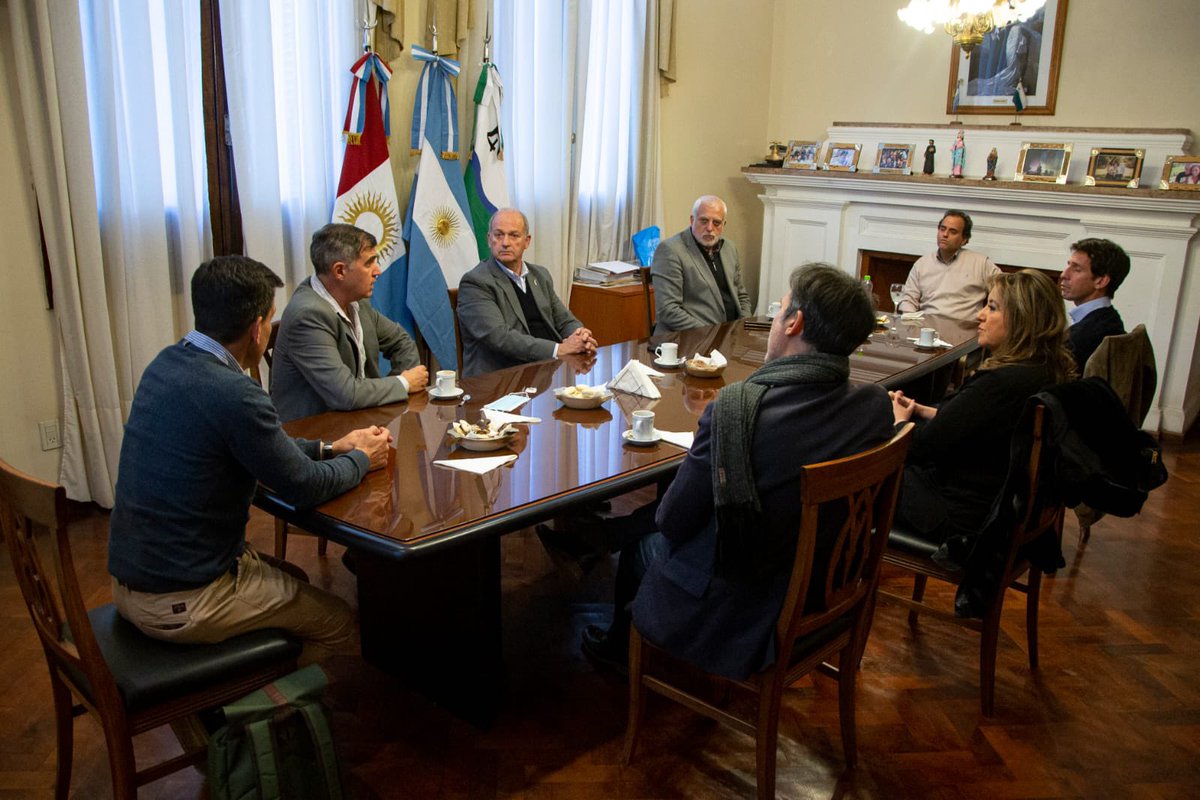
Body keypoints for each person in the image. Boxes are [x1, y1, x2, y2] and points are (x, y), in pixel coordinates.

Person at [581, 264, 894, 679]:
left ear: (795, 323)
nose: (777, 319)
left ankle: (620, 651)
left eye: (781, 309)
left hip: (749, 606)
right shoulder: (873, 406)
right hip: (826, 586)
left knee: (645, 544)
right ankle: (594, 543)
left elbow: (672, 522)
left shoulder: (736, 412)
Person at [108, 255, 393, 665]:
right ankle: (255, 713)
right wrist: (363, 459)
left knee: (293, 579)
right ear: (259, 329)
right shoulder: (234, 392)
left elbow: (259, 445)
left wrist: (332, 448)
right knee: (339, 624)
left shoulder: (166, 364)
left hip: (134, 581)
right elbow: (305, 487)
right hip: (186, 598)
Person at [889, 269, 1074, 614]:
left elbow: (918, 449)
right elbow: (985, 427)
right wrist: (929, 411)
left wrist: (899, 422)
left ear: (1021, 321)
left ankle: (837, 593)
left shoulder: (1000, 383)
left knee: (861, 472)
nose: (980, 315)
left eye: (992, 307)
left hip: (961, 519)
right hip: (1001, 510)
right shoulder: (1047, 372)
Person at [271, 223, 427, 423]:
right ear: (340, 271)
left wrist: (388, 398)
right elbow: (345, 394)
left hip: (360, 422)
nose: (378, 271)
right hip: (316, 437)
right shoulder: (307, 315)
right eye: (369, 263)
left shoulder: (356, 302)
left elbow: (402, 342)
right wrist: (403, 382)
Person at [457, 208, 597, 378]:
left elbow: (563, 319)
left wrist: (580, 336)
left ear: (526, 241)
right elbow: (500, 338)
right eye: (499, 235)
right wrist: (559, 349)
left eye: (514, 235)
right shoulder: (475, 282)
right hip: (499, 379)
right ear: (489, 239)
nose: (505, 242)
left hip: (544, 373)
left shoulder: (540, 275)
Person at [651, 195, 752, 334]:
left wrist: (743, 326)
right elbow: (668, 310)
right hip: (688, 339)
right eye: (704, 221)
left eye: (716, 223)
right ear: (692, 220)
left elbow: (742, 296)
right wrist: (711, 333)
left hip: (730, 335)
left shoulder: (729, 248)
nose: (710, 228)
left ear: (723, 225)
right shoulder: (670, 250)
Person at [896, 210, 1000, 322]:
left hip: (966, 332)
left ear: (964, 239)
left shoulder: (981, 263)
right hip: (926, 329)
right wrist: (912, 323)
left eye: (953, 232)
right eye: (942, 229)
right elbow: (908, 300)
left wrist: (988, 315)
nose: (945, 235)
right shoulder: (922, 264)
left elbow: (1005, 291)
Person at [1059, 237, 1129, 372]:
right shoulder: (1111, 318)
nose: (1064, 274)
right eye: (1068, 265)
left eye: (1076, 269)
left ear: (1101, 281)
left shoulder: (1083, 336)